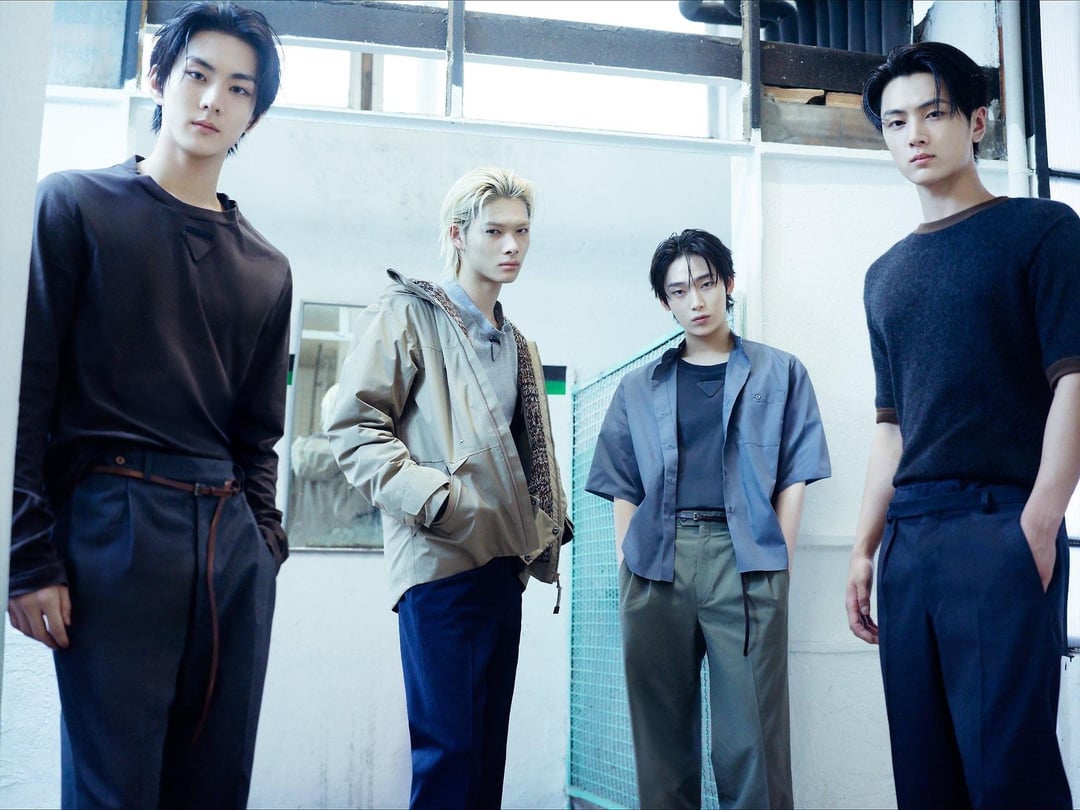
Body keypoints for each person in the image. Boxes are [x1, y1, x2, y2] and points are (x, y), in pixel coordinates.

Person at [6, 3, 291, 807]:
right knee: (115, 791)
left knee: (216, 787)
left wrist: (263, 549)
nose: (213, 99)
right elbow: (27, 391)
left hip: (229, 541)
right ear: (159, 78)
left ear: (253, 114)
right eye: (198, 74)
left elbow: (258, 434)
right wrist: (26, 555)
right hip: (113, 523)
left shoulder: (268, 267)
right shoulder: (75, 204)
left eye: (238, 88)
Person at [846, 41, 1080, 809]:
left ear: (977, 122)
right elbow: (892, 428)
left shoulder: (1042, 230)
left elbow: (1076, 380)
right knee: (926, 777)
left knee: (1009, 773)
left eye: (934, 113)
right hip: (908, 541)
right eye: (895, 122)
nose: (914, 134)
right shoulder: (884, 275)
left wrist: (1039, 522)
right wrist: (863, 548)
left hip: (998, 523)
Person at [327, 166, 571, 809]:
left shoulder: (518, 344)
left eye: (522, 231)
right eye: (494, 231)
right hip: (439, 564)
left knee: (485, 760)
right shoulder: (409, 313)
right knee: (450, 758)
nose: (512, 245)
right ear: (458, 235)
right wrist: (439, 503)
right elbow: (353, 427)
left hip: (502, 568)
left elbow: (521, 457)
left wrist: (544, 524)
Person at [586, 229, 830, 809]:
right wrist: (627, 558)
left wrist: (779, 562)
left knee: (752, 739)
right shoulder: (637, 387)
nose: (695, 301)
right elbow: (622, 482)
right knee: (661, 742)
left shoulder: (780, 372)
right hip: (655, 564)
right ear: (665, 302)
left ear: (728, 284)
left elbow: (795, 474)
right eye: (678, 291)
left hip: (745, 562)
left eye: (705, 283)